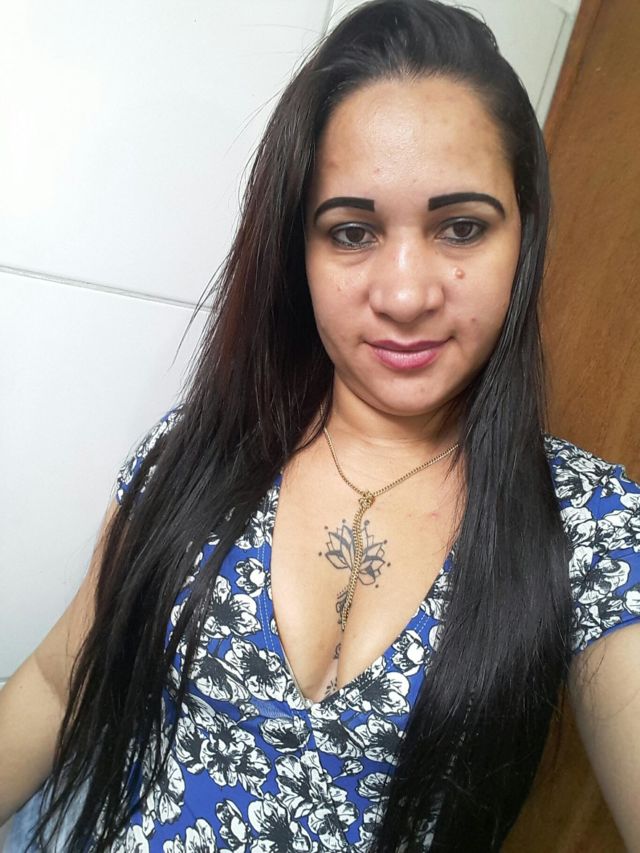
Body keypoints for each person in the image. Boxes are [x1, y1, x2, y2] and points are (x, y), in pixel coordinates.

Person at [1, 0, 639, 850]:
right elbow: (56, 684)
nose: (405, 294)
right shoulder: (196, 455)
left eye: (461, 227)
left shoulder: (589, 524)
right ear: (296, 251)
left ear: (525, 233)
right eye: (352, 232)